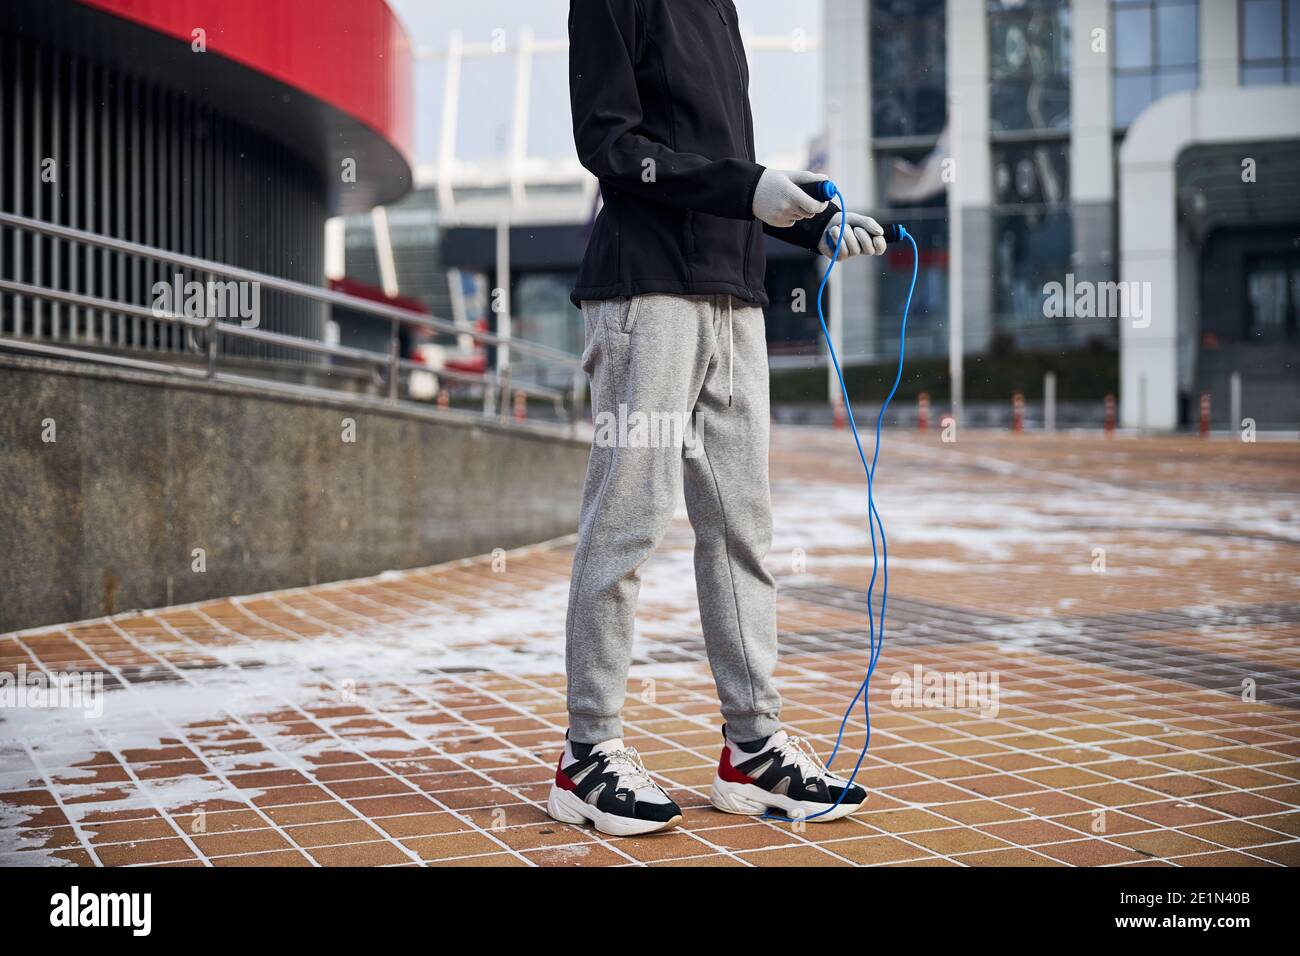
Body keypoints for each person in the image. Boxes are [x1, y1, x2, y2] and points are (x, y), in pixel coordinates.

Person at [547, 0, 887, 837]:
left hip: (735, 296)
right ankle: (586, 756)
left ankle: (753, 748)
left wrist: (805, 218)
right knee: (627, 520)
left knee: (742, 528)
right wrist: (747, 186)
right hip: (646, 291)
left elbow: (716, 162)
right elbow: (612, 146)